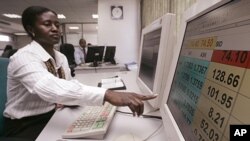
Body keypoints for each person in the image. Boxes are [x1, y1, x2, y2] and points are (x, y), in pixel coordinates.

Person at [2, 6, 157, 140]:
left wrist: (80, 98)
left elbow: (68, 85)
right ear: (31, 29)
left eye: (57, 24)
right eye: (47, 24)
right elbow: (47, 87)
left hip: (53, 114)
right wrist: (107, 94)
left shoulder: (60, 57)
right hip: (25, 125)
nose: (55, 28)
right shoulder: (24, 57)